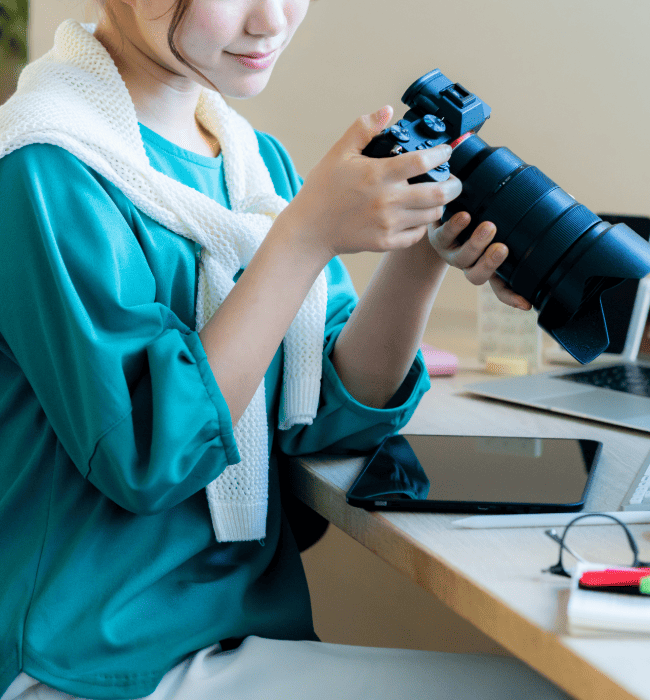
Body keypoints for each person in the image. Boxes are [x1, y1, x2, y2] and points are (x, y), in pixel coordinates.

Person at [0, 0, 570, 698]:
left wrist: (423, 242)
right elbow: (149, 455)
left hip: (228, 634)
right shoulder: (44, 169)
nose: (271, 21)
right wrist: (304, 238)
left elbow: (324, 412)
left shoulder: (251, 164)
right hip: (88, 662)